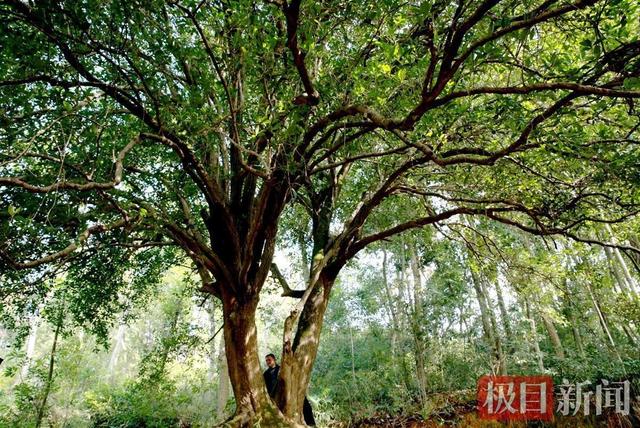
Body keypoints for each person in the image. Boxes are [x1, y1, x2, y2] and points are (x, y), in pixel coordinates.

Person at [263, 353, 316, 426]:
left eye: (269, 360)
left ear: (274, 359)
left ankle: (311, 424)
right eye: (266, 361)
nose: (268, 362)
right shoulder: (265, 374)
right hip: (275, 396)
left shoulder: (282, 369)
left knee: (305, 405)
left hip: (289, 391)